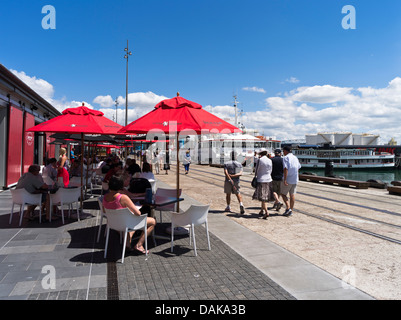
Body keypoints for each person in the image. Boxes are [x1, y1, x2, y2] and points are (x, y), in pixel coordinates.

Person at [103, 175, 156, 254]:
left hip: (114, 224)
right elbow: (138, 213)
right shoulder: (123, 197)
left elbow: (105, 211)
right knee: (153, 221)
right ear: (120, 185)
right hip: (126, 223)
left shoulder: (105, 197)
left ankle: (128, 244)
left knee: (130, 227)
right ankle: (139, 245)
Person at [252, 148, 274, 219]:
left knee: (263, 197)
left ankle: (266, 211)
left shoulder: (260, 160)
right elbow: (271, 170)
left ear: (260, 153)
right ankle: (261, 210)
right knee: (265, 195)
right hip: (269, 179)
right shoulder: (270, 160)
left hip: (261, 179)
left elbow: (256, 170)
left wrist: (255, 177)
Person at [281, 146, 302, 217]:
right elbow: (298, 168)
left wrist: (285, 179)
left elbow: (285, 169)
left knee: (283, 194)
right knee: (292, 194)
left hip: (288, 179)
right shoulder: (295, 157)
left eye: (283, 151)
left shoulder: (285, 158)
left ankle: (288, 207)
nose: (283, 153)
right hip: (295, 179)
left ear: (285, 151)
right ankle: (291, 210)